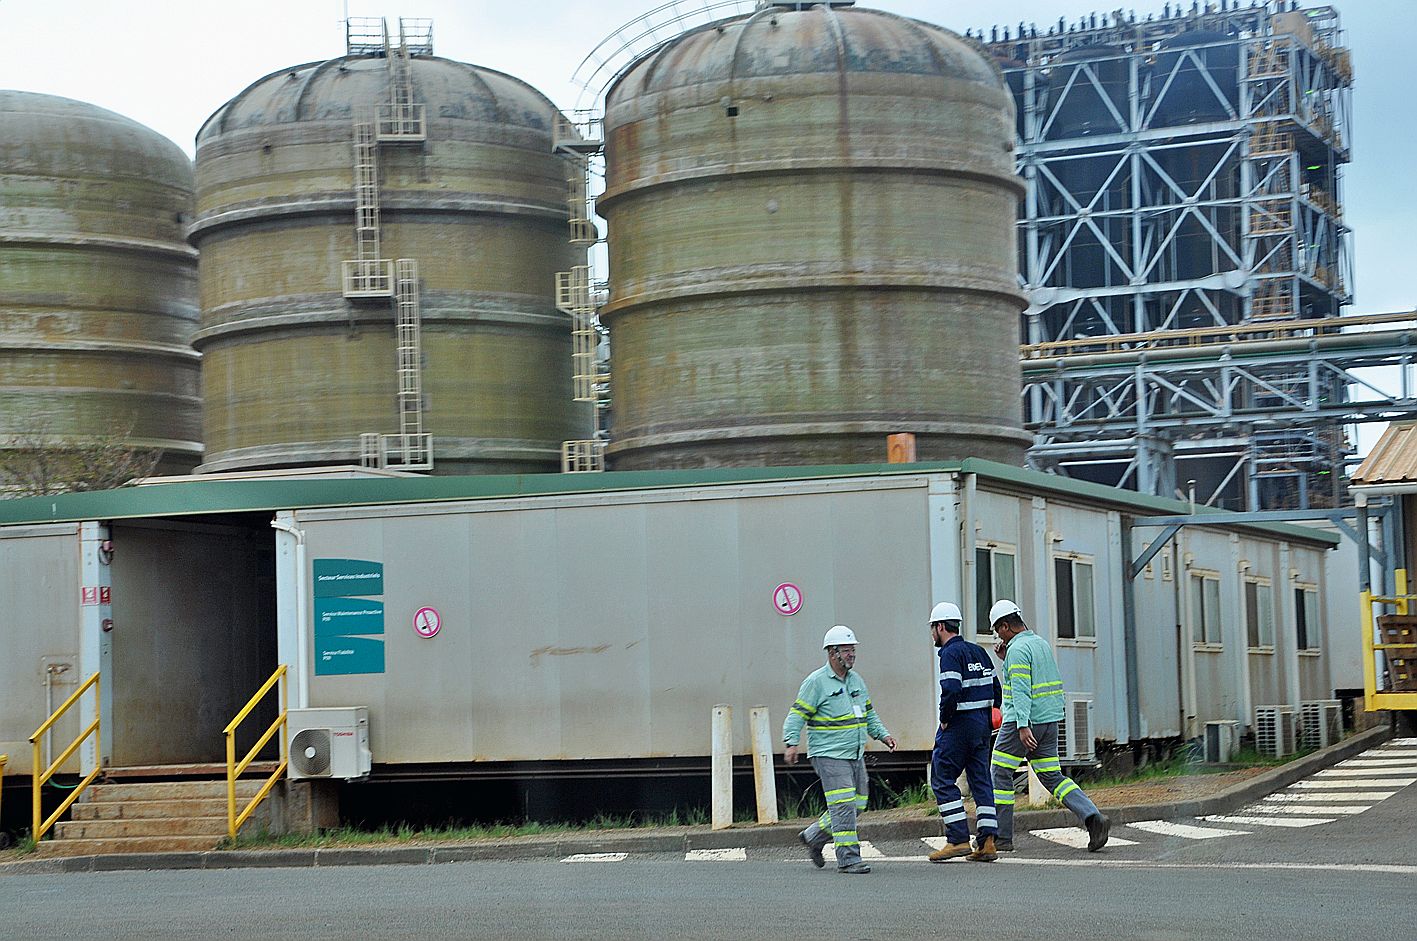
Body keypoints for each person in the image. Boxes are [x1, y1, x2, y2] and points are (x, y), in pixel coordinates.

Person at [989, 600, 1110, 852]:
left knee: (999, 771)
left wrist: (1022, 725)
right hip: (1049, 722)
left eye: (998, 630)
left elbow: (1021, 689)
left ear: (1006, 626)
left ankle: (1002, 837)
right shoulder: (1040, 643)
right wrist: (1005, 658)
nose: (998, 636)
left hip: (1022, 723)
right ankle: (1092, 817)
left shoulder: (1017, 650)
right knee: (1052, 776)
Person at [783, 625, 898, 874]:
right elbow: (797, 714)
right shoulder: (816, 682)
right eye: (846, 650)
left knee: (858, 802)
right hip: (829, 754)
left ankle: (814, 836)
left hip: (854, 753)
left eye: (853, 650)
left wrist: (883, 735)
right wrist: (791, 742)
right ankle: (848, 859)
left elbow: (869, 714)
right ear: (832, 653)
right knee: (844, 804)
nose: (851, 654)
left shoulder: (857, 681)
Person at [925, 602, 1002, 863]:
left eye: (933, 628)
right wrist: (988, 713)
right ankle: (987, 841)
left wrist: (945, 719)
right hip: (982, 725)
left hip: (959, 724)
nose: (932, 634)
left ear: (940, 627)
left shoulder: (950, 653)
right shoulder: (979, 651)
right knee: (981, 779)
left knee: (942, 777)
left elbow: (951, 688)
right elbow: (996, 689)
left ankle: (957, 839)